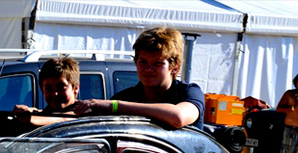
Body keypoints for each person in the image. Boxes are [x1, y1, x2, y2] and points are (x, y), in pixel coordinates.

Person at [72, 27, 205, 129]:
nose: (148, 69)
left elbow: (178, 118)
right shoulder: (126, 97)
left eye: (157, 63)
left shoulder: (189, 93)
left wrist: (115, 106)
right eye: (143, 62)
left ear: (175, 67)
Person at [13, 56, 80, 127]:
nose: (55, 94)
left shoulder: (83, 113)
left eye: (61, 87)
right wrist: (26, 111)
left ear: (75, 88)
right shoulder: (45, 113)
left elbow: (64, 119)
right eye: (48, 88)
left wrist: (31, 118)